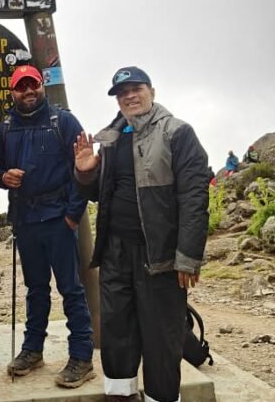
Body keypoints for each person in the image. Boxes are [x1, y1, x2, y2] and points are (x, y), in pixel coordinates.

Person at [73, 66, 210, 402]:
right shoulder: (112, 138)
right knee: (117, 329)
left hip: (159, 255)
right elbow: (101, 194)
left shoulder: (178, 133)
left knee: (161, 335)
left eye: (136, 89)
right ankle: (119, 395)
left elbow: (194, 199)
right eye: (123, 93)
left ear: (152, 91)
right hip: (115, 252)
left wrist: (188, 257)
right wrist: (85, 173)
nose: (130, 97)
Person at [0, 65, 95, 388]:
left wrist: (72, 215)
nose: (28, 92)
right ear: (12, 92)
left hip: (58, 219)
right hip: (26, 220)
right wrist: (5, 179)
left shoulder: (63, 121)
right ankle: (32, 350)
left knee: (71, 289)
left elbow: (83, 169)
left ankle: (81, 357)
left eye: (32, 85)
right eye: (21, 87)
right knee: (35, 289)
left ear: (41, 86)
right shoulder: (4, 128)